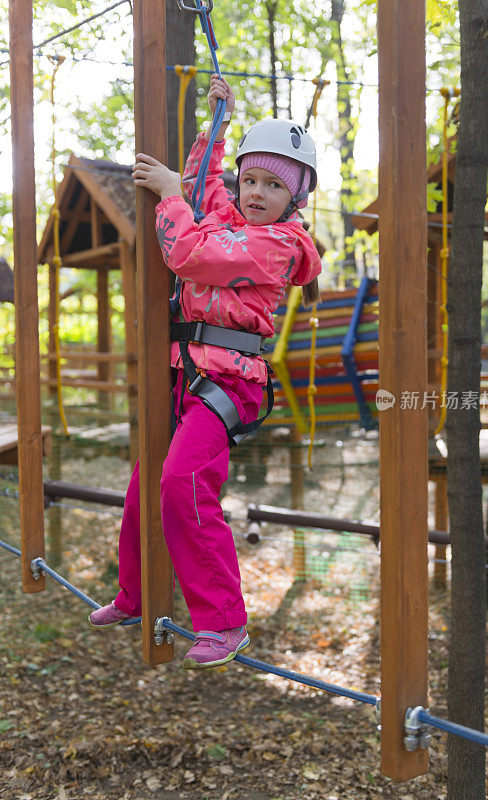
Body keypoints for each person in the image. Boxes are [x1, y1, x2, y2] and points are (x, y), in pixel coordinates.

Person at [88, 75, 322, 669]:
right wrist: (216, 122)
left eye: (275, 185)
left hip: (228, 385)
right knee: (147, 485)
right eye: (251, 180)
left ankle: (225, 622)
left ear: (295, 198)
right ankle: (135, 595)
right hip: (186, 375)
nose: (257, 192)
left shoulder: (278, 245)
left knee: (184, 484)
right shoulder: (231, 216)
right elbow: (199, 186)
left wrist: (169, 197)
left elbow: (186, 251)